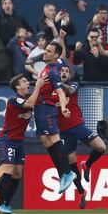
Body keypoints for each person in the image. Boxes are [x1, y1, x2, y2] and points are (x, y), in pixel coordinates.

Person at [0, 73, 47, 214]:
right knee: (9, 170)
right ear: (17, 86)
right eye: (24, 81)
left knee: (17, 174)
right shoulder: (14, 99)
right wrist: (38, 86)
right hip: (7, 140)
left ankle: (6, 204)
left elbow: (37, 100)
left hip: (18, 142)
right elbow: (30, 104)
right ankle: (0, 204)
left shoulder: (29, 98)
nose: (27, 83)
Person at [56, 65, 106, 209]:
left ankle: (87, 164)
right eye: (62, 71)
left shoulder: (73, 85)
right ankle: (81, 192)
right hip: (64, 132)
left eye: (67, 71)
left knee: (101, 147)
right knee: (72, 166)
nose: (64, 73)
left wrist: (58, 83)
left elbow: (70, 90)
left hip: (78, 126)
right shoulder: (51, 92)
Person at [34, 41, 76, 194]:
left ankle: (67, 172)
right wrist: (61, 38)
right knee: (45, 140)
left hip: (47, 108)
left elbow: (59, 91)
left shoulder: (52, 71)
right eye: (46, 50)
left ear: (55, 55)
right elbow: (63, 53)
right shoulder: (48, 66)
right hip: (39, 108)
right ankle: (62, 173)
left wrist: (63, 107)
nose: (46, 52)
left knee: (54, 139)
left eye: (49, 51)